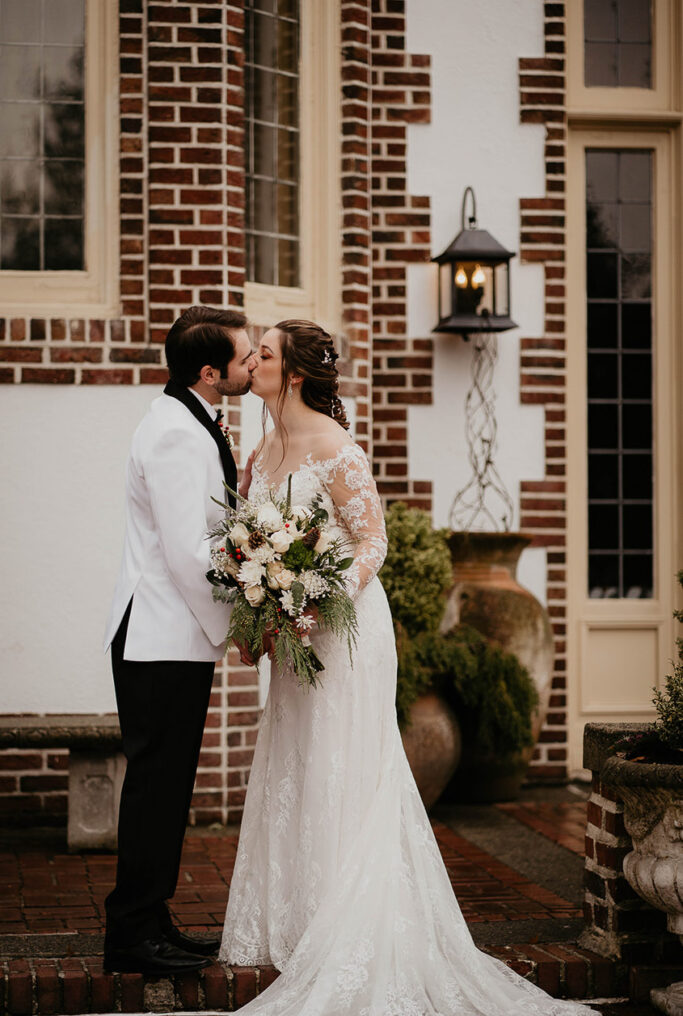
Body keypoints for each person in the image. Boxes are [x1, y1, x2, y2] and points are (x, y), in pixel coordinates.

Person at [219, 319, 597, 1015]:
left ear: (294, 373)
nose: (252, 364)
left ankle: (347, 924)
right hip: (292, 632)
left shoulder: (335, 447)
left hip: (342, 630)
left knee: (343, 764)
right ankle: (298, 919)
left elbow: (372, 543)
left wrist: (314, 599)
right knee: (295, 761)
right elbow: (252, 546)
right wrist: (262, 610)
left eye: (264, 356)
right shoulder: (262, 447)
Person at [103, 306, 253, 976]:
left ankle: (152, 917)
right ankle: (131, 935)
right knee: (156, 790)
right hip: (160, 636)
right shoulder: (173, 432)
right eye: (244, 358)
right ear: (209, 370)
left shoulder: (189, 421)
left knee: (167, 788)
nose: (252, 366)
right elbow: (187, 552)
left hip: (173, 636)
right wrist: (237, 624)